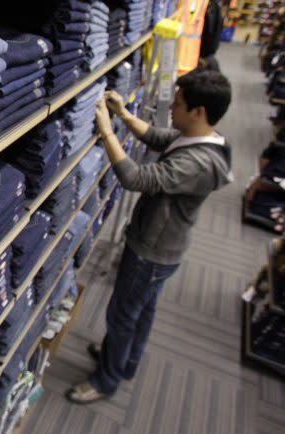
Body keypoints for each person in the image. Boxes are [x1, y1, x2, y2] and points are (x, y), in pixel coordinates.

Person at [66, 68, 234, 403]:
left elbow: (135, 177)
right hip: (164, 249)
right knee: (142, 309)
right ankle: (125, 361)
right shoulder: (203, 137)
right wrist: (123, 114)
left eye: (179, 103)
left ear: (198, 113)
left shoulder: (198, 163)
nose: (171, 106)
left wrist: (106, 132)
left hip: (151, 252)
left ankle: (106, 380)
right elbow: (159, 137)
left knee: (121, 315)